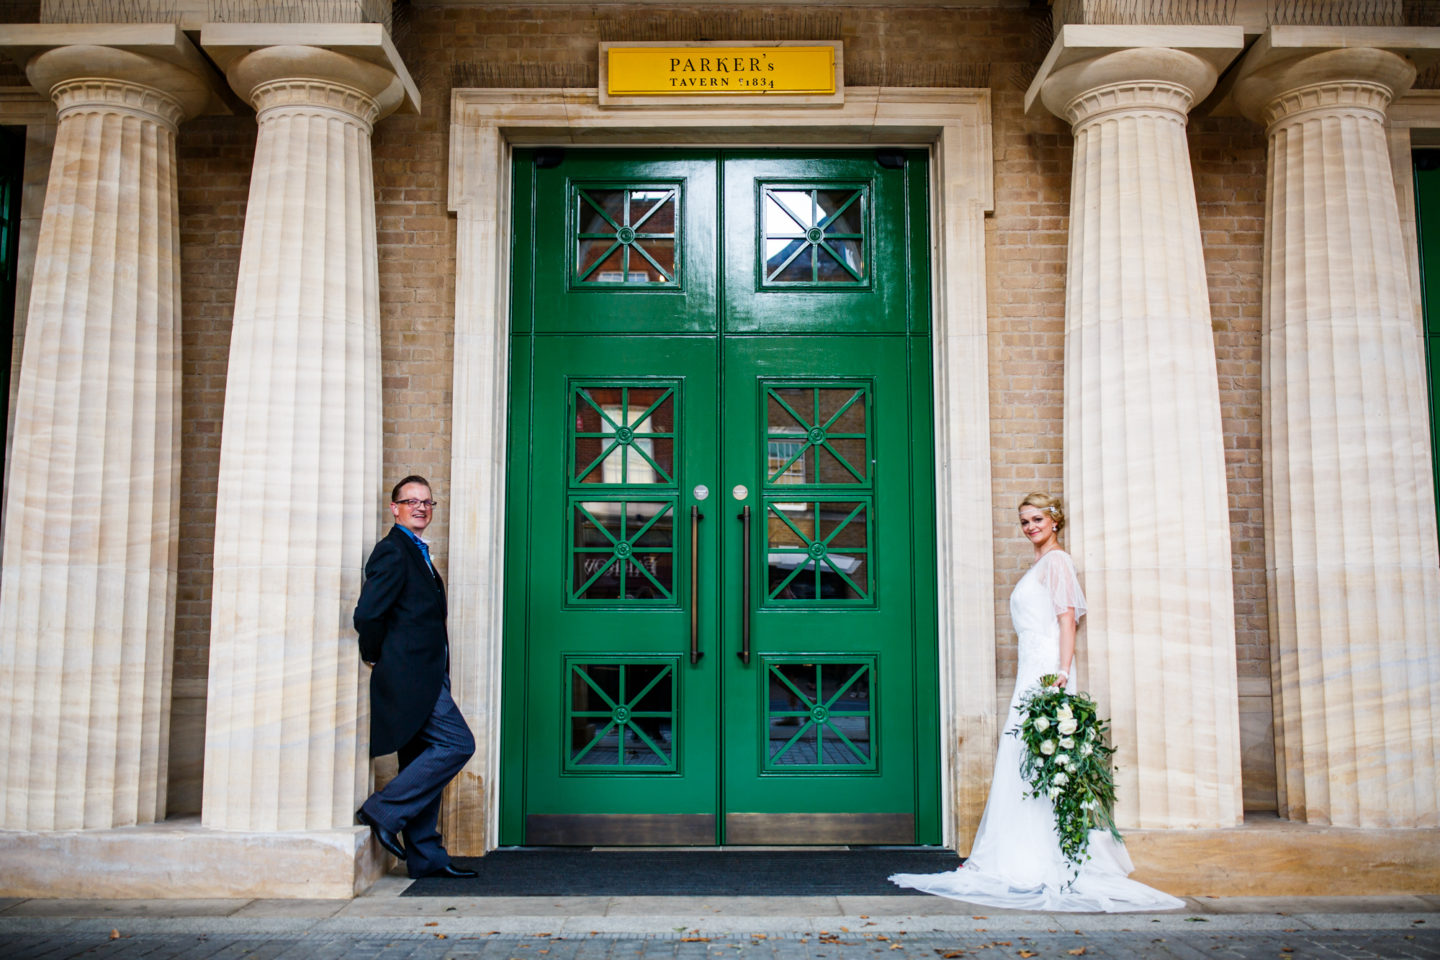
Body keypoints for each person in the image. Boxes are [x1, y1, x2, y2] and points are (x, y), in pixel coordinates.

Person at [890, 492, 1182, 912]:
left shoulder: (1058, 562)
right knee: (1023, 759)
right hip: (1032, 668)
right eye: (1024, 521)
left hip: (1046, 670)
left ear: (1055, 521)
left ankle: (1040, 857)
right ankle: (1016, 852)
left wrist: (1061, 675)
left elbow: (1067, 621)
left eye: (1037, 519)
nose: (1030, 527)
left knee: (1036, 757)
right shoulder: (1041, 564)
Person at [354, 475, 478, 880]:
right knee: (458, 744)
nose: (421, 508)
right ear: (395, 508)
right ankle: (384, 809)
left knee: (420, 758)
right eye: (411, 502)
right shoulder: (392, 551)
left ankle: (425, 857)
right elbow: (368, 614)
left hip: (428, 675)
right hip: (410, 678)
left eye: (427, 502)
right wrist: (374, 655)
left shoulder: (418, 552)